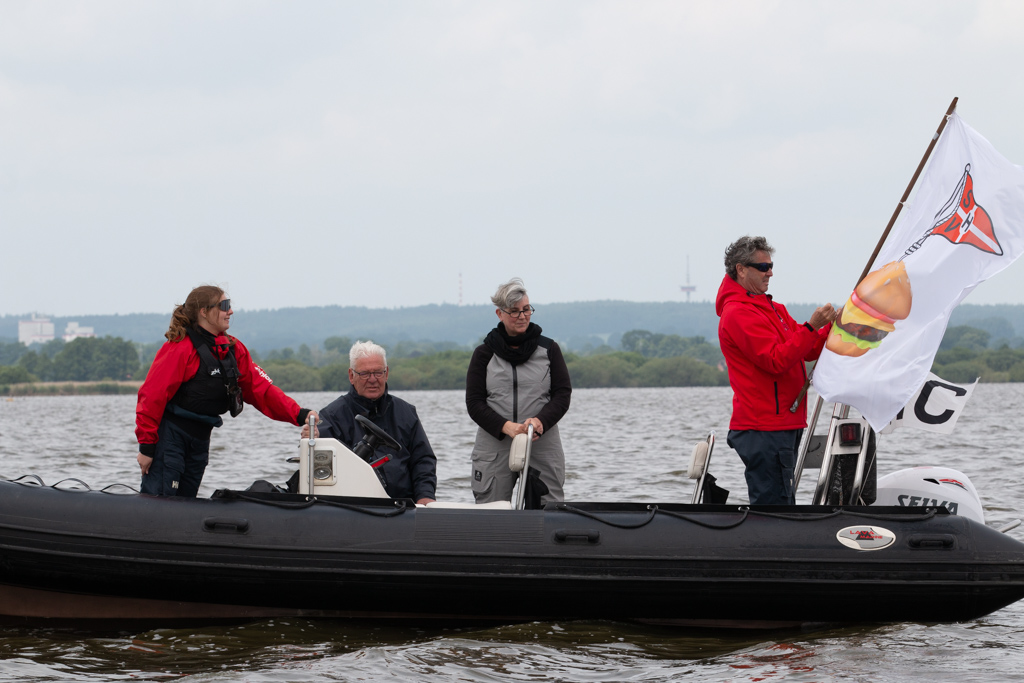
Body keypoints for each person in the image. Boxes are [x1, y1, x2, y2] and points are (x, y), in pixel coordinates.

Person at [136, 286, 317, 497]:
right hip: (171, 440)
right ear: (204, 312)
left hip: (200, 441)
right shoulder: (180, 348)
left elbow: (261, 389)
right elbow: (151, 397)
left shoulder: (233, 349)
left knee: (186, 505)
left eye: (229, 305)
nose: (230, 311)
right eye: (224, 306)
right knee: (162, 505)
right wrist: (146, 447)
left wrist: (299, 414)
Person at [716, 236, 837, 505]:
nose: (770, 272)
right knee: (775, 507)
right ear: (741, 269)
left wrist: (832, 327)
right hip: (763, 428)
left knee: (782, 502)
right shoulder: (737, 313)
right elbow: (775, 360)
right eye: (763, 267)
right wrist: (811, 326)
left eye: (771, 266)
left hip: (783, 423)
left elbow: (807, 350)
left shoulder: (773, 309)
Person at [466, 278, 572, 506]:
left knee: (549, 510)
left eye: (526, 309)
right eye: (514, 311)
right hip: (495, 443)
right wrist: (507, 427)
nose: (522, 316)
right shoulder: (483, 354)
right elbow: (474, 403)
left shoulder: (549, 350)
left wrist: (541, 421)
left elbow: (562, 394)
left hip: (541, 440)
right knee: (491, 511)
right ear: (500, 314)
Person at [306, 341, 437, 505]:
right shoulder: (331, 416)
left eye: (378, 373)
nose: (373, 379)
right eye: (365, 374)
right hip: (353, 506)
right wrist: (312, 437)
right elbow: (321, 468)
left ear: (387, 373)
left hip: (404, 506)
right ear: (351, 376)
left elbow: (423, 460)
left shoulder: (406, 413)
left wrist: (425, 496)